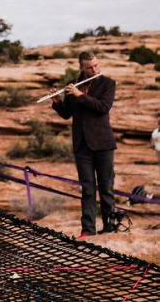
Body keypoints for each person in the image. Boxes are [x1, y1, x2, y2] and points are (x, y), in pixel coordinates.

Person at [49, 51, 117, 238]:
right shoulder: (72, 85)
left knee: (106, 187)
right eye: (89, 67)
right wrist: (57, 102)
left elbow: (103, 107)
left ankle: (110, 227)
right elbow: (66, 114)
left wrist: (80, 95)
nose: (94, 69)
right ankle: (88, 230)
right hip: (82, 145)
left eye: (96, 65)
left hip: (103, 143)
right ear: (81, 67)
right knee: (87, 189)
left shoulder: (107, 83)